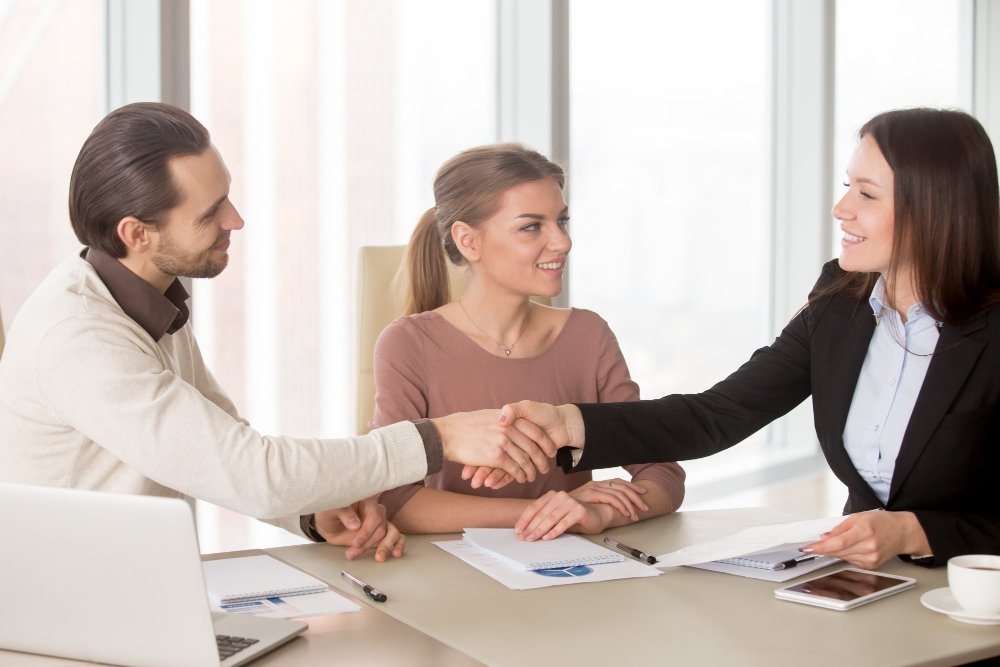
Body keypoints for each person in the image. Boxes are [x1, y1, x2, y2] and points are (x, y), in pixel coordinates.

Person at [0, 103, 555, 561]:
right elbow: (251, 470)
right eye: (210, 212)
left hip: (132, 595)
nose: (236, 220)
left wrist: (313, 514)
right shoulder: (79, 338)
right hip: (67, 622)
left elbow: (222, 444)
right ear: (137, 234)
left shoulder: (146, 302)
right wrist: (439, 439)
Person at [497, 108, 1000, 569]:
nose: (841, 207)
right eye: (848, 186)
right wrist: (569, 423)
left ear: (935, 207)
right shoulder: (841, 302)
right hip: (867, 588)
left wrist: (913, 531)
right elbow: (716, 415)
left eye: (866, 194)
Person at [368, 143, 685, 537]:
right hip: (453, 576)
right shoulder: (408, 344)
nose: (562, 242)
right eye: (531, 226)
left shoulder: (589, 336)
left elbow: (662, 474)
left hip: (572, 572)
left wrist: (601, 514)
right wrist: (547, 511)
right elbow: (394, 500)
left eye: (562, 221)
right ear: (469, 241)